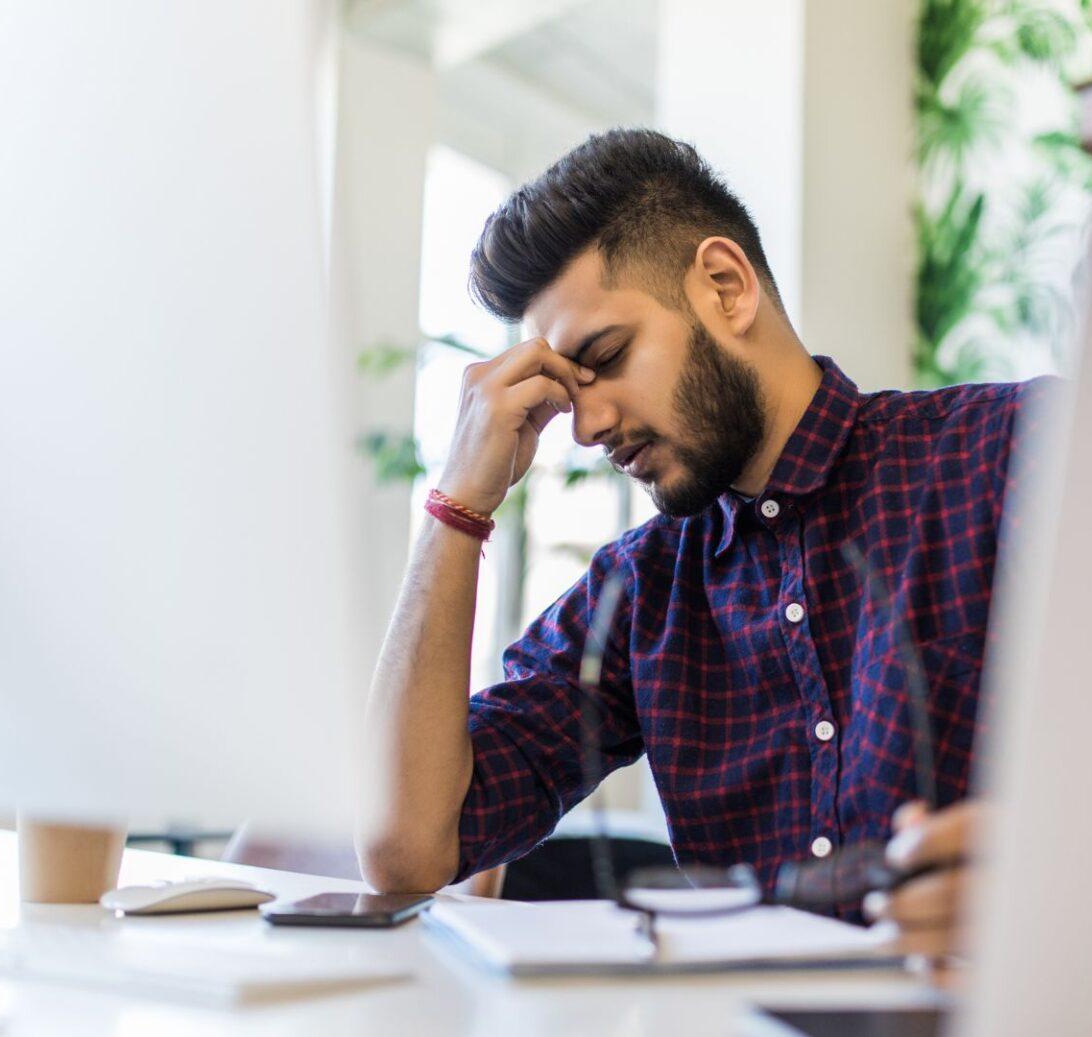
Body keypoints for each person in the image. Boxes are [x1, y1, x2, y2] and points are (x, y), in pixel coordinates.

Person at [358, 128, 1044, 956]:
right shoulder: (642, 589)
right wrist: (457, 506)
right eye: (568, 394)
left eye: (605, 357)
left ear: (725, 285)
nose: (589, 425)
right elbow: (407, 853)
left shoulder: (1016, 451)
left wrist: (1057, 875)